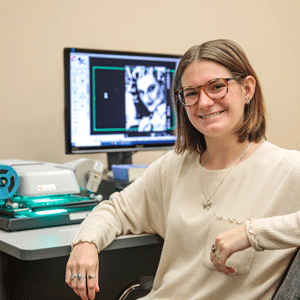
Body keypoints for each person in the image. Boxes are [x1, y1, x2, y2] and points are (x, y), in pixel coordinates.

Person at [65, 39, 300, 300]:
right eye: (191, 93)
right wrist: (86, 242)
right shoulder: (175, 166)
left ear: (247, 89)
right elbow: (116, 210)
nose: (204, 102)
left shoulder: (287, 168)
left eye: (217, 87)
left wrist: (251, 233)